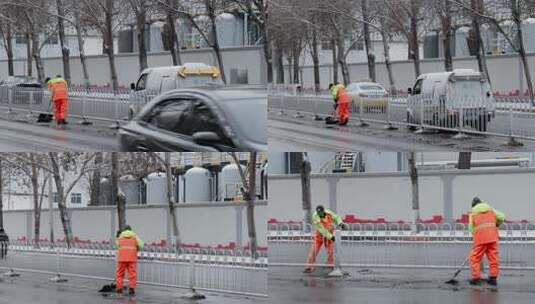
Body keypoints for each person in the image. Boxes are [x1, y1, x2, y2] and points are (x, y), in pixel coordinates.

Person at [468, 197, 505, 286]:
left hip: (480, 239)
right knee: (493, 258)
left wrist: (475, 235)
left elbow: (471, 228)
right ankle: (493, 279)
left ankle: (476, 279)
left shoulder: (472, 212)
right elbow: (502, 217)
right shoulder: (490, 209)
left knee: (475, 258)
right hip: (492, 237)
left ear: (473, 205)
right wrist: (497, 224)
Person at [303, 205, 343, 273]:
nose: (319, 214)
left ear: (323, 211)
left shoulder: (328, 213)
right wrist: (331, 237)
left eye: (320, 212)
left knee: (330, 252)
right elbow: (321, 229)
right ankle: (308, 267)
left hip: (329, 235)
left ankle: (330, 265)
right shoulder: (315, 216)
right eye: (318, 212)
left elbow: (337, 217)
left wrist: (340, 223)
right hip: (320, 237)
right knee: (313, 251)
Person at [116, 225, 144, 296]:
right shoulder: (135, 236)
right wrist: (137, 248)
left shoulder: (121, 236)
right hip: (132, 258)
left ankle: (119, 289)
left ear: (124, 230)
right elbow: (141, 245)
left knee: (120, 274)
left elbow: (117, 245)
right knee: (132, 274)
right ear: (130, 230)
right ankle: (131, 289)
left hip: (121, 258)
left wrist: (117, 237)